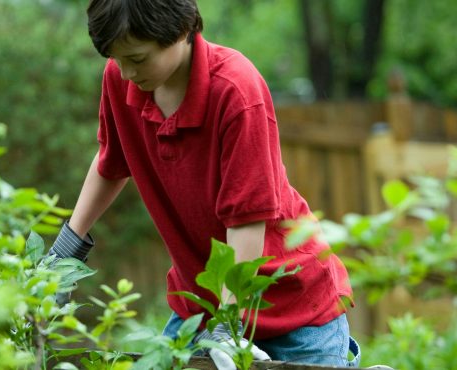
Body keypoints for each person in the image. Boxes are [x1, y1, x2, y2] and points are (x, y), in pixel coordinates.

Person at [45, 0, 360, 368]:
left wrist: (229, 327)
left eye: (138, 59)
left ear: (179, 30)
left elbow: (247, 220)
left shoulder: (235, 90)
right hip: (203, 306)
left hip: (294, 308)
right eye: (117, 59)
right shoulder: (121, 78)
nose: (127, 72)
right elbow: (111, 163)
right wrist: (62, 255)